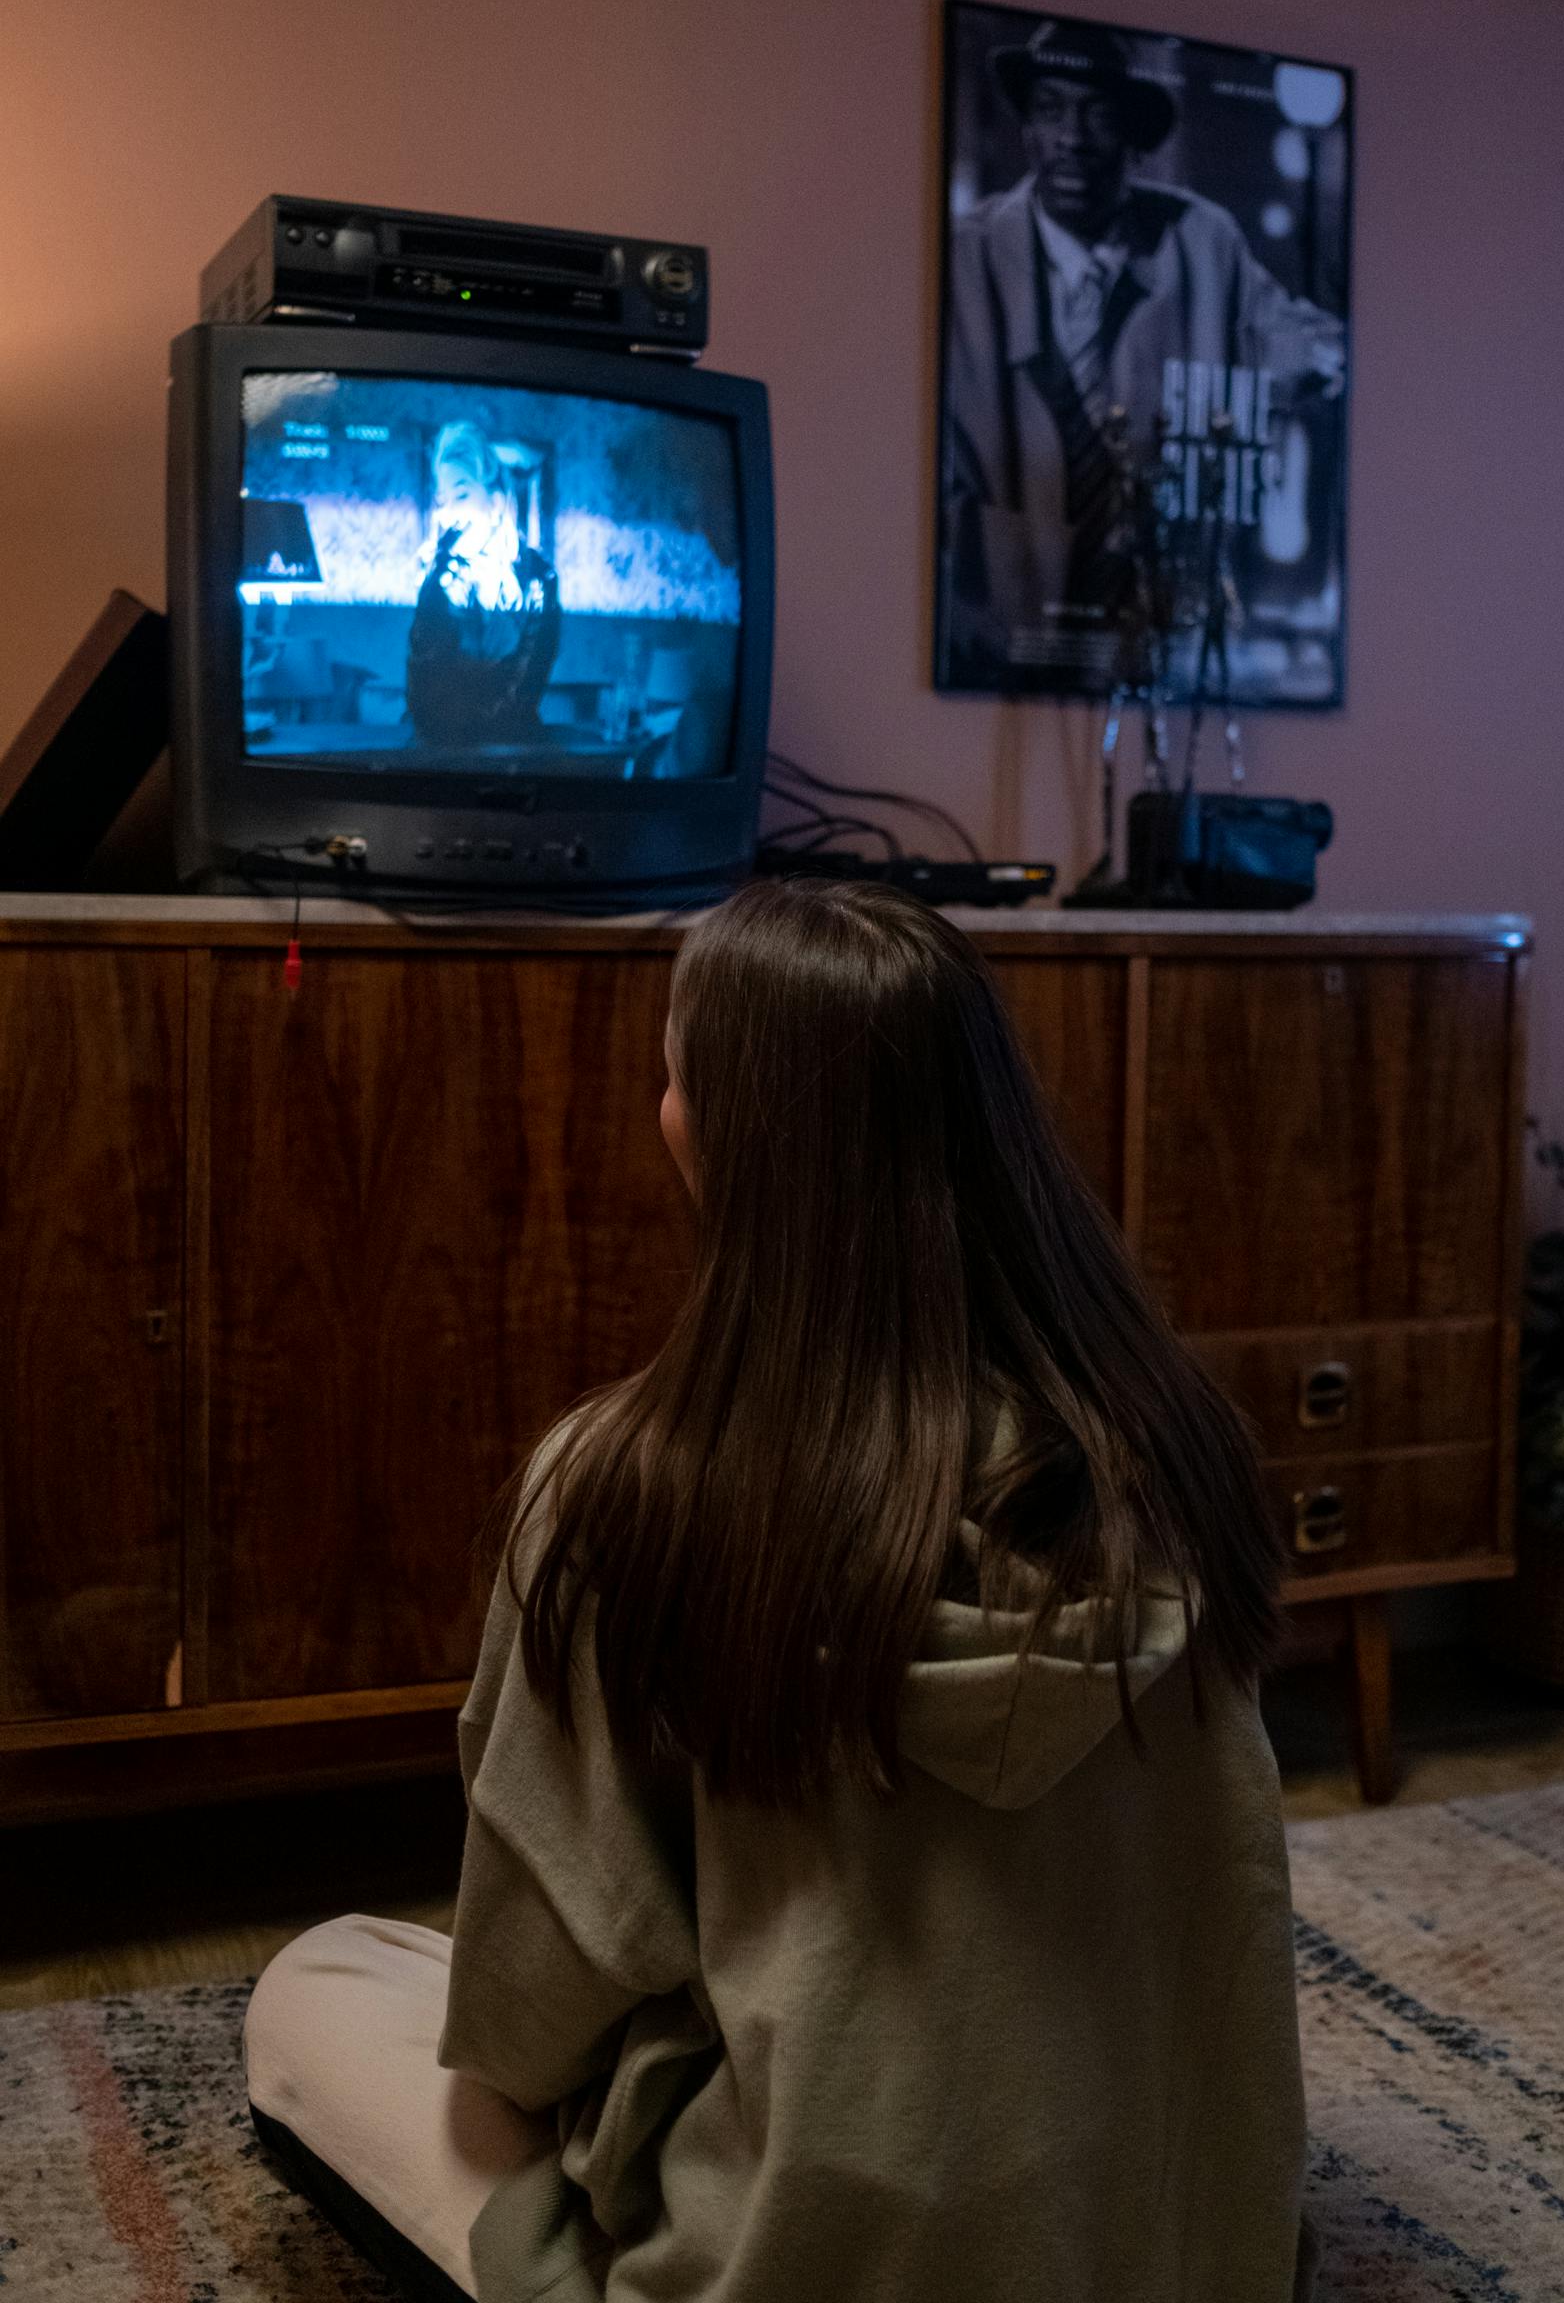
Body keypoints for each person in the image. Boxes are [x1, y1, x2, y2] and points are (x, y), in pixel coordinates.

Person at [243, 880, 1320, 2303]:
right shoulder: (1171, 1443)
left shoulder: (625, 1491)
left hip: (780, 2266)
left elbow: (525, 2023)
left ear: (712, 1131)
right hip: (1174, 2263)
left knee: (319, 1985)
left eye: (671, 1071)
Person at [943, 15, 1345, 678]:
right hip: (998, 658)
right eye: (1050, 111)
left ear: (1134, 137)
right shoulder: (966, 258)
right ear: (1026, 133)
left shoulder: (1200, 238)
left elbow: (1318, 348)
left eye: (1097, 115)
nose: (1071, 139)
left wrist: (1249, 400)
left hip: (1157, 654)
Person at [405, 420, 562, 748]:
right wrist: (434, 588)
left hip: (511, 746)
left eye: (462, 493)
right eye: (443, 500)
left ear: (496, 502)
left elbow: (526, 686)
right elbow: (423, 690)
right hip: (434, 745)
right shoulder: (437, 579)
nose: (450, 513)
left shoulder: (538, 579)